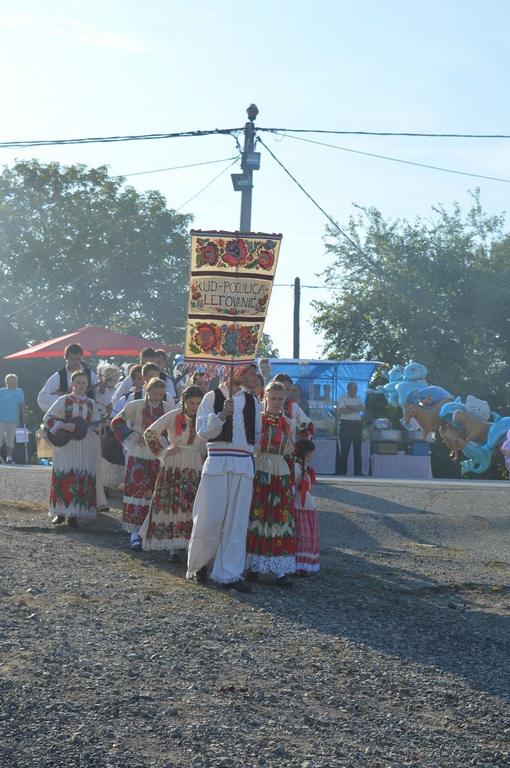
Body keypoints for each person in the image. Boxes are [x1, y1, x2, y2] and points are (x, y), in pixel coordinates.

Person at [186, 364, 262, 591]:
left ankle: (229, 573)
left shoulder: (253, 401)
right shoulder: (212, 397)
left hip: (243, 464)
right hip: (218, 462)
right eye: (251, 372)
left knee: (237, 521)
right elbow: (202, 431)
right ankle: (200, 564)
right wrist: (221, 416)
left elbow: (256, 436)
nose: (255, 376)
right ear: (237, 372)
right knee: (208, 516)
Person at [141, 385, 205, 556]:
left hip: (194, 463)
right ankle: (172, 547)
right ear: (184, 402)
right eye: (192, 403)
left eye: (199, 403)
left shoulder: (203, 418)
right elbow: (149, 433)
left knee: (189, 503)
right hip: (174, 463)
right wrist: (162, 452)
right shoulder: (174, 415)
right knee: (173, 501)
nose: (195, 407)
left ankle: (186, 543)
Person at [111, 378, 172, 550]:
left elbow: (174, 428)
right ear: (147, 391)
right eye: (154, 394)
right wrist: (132, 435)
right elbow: (116, 422)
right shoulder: (135, 405)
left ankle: (150, 532)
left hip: (157, 454)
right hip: (138, 453)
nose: (157, 397)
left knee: (154, 491)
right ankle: (134, 532)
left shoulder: (168, 408)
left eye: (161, 394)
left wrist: (168, 443)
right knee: (136, 490)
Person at [245, 381, 295, 585]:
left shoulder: (289, 423)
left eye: (280, 399)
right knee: (258, 514)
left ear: (285, 400)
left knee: (278, 516)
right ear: (265, 398)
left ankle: (279, 569)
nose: (276, 402)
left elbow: (290, 449)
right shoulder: (257, 419)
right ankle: (252, 565)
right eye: (273, 398)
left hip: (279, 469)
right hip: (260, 467)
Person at [43, 370, 103, 527]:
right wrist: (64, 425)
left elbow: (96, 423)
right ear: (72, 384)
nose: (81, 385)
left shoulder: (91, 403)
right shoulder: (63, 400)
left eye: (84, 382)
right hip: (66, 444)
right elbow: (47, 418)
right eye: (78, 382)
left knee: (80, 474)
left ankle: (74, 515)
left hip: (85, 444)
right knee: (65, 472)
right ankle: (60, 512)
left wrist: (99, 425)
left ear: (87, 385)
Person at [37, 343, 97, 411]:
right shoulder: (59, 376)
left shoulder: (90, 374)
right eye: (72, 359)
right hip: (65, 415)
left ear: (81, 358)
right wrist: (62, 398)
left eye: (78, 359)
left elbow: (98, 395)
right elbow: (42, 398)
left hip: (87, 414)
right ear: (66, 358)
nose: (75, 362)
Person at [294, 438, 319, 575]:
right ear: (306, 452)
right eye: (311, 452)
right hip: (298, 505)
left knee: (307, 535)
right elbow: (293, 486)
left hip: (306, 505)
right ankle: (297, 565)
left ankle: (303, 565)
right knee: (300, 535)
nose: (312, 454)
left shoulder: (303, 467)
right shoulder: (296, 467)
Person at [273, 374, 314, 440]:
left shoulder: (293, 406)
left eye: (288, 389)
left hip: (288, 445)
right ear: (273, 387)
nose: (286, 392)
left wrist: (303, 441)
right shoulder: (262, 405)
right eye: (282, 388)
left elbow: (307, 425)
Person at [337, 381, 364, 476]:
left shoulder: (359, 398)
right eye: (354, 389)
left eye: (356, 389)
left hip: (357, 424)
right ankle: (342, 471)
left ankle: (358, 472)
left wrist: (349, 406)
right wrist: (355, 408)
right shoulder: (342, 397)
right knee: (344, 449)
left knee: (358, 449)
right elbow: (342, 410)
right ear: (348, 389)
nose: (355, 390)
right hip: (346, 424)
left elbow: (362, 408)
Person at [0, 374, 25, 464]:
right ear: (6, 382)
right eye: (10, 381)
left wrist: (24, 416)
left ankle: (9, 458)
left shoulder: (19, 391)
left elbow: (22, 405)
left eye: (14, 381)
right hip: (1, 419)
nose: (12, 382)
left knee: (10, 439)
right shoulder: (1, 391)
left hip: (13, 419)